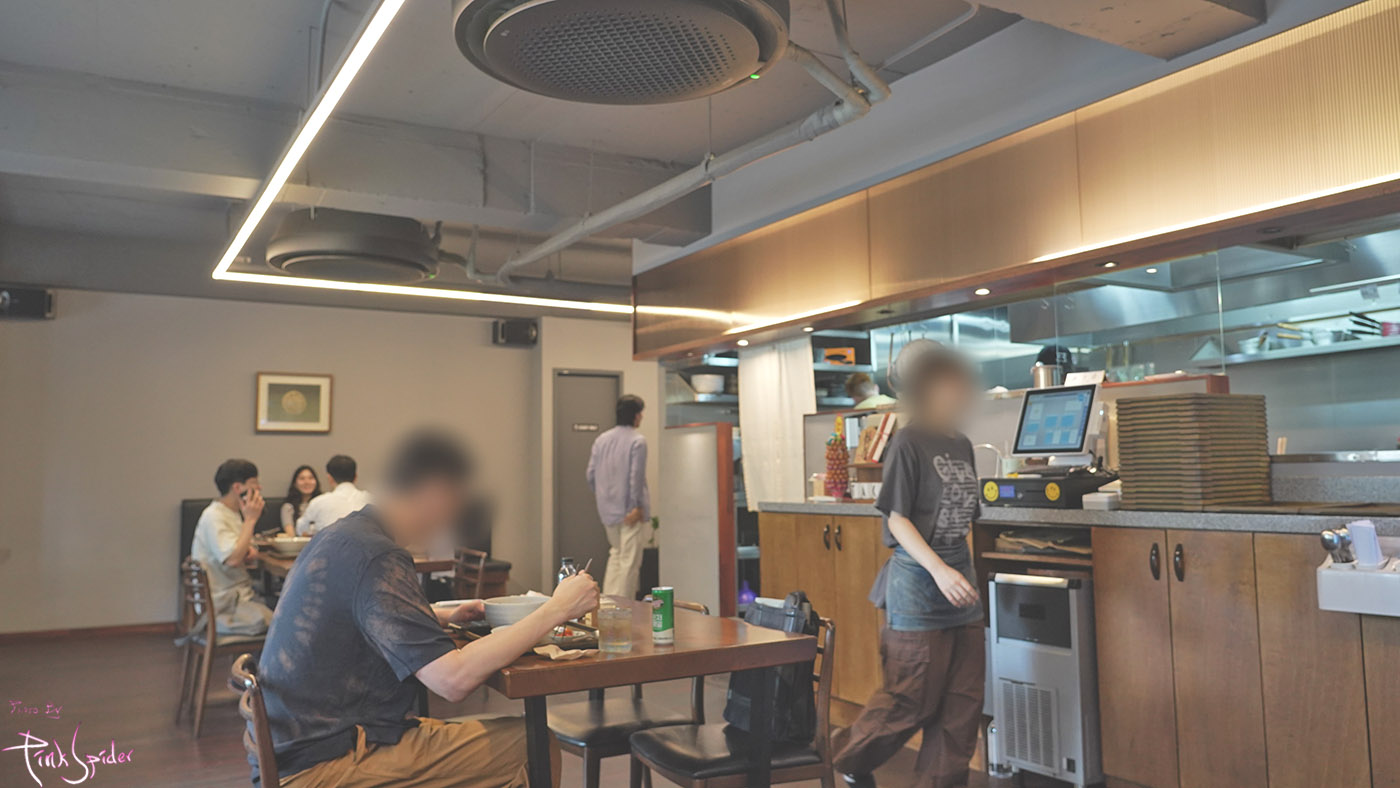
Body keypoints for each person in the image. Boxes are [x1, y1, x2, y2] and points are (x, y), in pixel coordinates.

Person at [258, 430, 598, 788]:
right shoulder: (378, 554)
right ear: (437, 491)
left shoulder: (343, 535)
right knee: (533, 744)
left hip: (296, 750)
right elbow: (452, 680)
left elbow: (350, 617)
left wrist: (439, 616)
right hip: (328, 762)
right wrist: (557, 608)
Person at [835, 343, 985, 788]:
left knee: (962, 709)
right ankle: (843, 760)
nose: (960, 389)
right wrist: (939, 570)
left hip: (962, 591)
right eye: (948, 381)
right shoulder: (907, 441)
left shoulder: (962, 444)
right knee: (909, 701)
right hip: (918, 590)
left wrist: (958, 573)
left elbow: (961, 519)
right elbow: (897, 519)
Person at [190, 459, 275, 636]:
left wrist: (248, 551)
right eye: (254, 483)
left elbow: (239, 552)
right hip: (224, 606)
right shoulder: (214, 516)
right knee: (286, 623)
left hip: (238, 597)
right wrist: (251, 519)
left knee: (286, 609)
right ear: (238, 488)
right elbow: (233, 559)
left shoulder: (232, 514)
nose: (259, 488)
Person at [586, 394, 650, 599]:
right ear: (635, 415)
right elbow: (635, 477)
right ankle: (623, 606)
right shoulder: (637, 441)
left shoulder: (601, 440)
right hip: (629, 510)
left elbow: (590, 475)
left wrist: (604, 498)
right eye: (640, 413)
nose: (641, 417)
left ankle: (608, 603)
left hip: (607, 510)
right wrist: (636, 506)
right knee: (629, 562)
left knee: (616, 554)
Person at [296, 454, 372, 535]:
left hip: (329, 543)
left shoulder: (319, 502)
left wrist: (314, 528)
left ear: (329, 478)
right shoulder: (372, 500)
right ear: (356, 477)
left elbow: (300, 529)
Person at [280, 465, 322, 535]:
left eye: (310, 478)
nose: (307, 482)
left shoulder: (322, 504)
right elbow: (291, 535)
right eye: (302, 479)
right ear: (295, 483)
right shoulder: (288, 507)